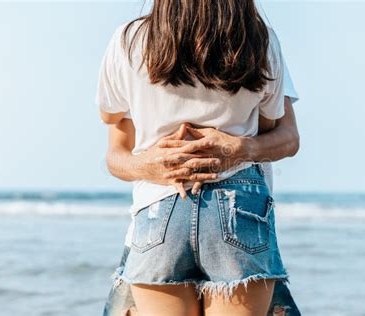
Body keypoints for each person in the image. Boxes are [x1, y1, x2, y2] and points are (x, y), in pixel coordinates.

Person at [96, 1, 300, 315]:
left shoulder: (129, 40)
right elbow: (274, 128)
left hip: (160, 206)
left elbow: (113, 130)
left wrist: (151, 164)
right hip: (240, 206)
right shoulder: (259, 39)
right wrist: (236, 147)